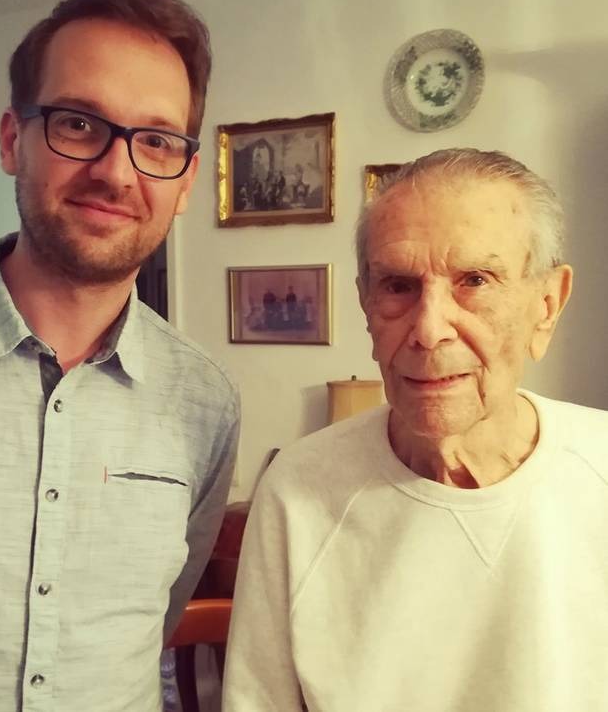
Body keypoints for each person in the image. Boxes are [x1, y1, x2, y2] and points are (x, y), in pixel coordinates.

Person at [0, 0, 240, 712]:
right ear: (13, 141)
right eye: (78, 123)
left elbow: (162, 615)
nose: (116, 171)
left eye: (157, 141)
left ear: (187, 180)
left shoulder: (207, 403)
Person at [223, 148, 608, 711]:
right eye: (399, 286)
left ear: (546, 305)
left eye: (475, 280)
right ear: (366, 303)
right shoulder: (299, 487)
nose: (429, 330)